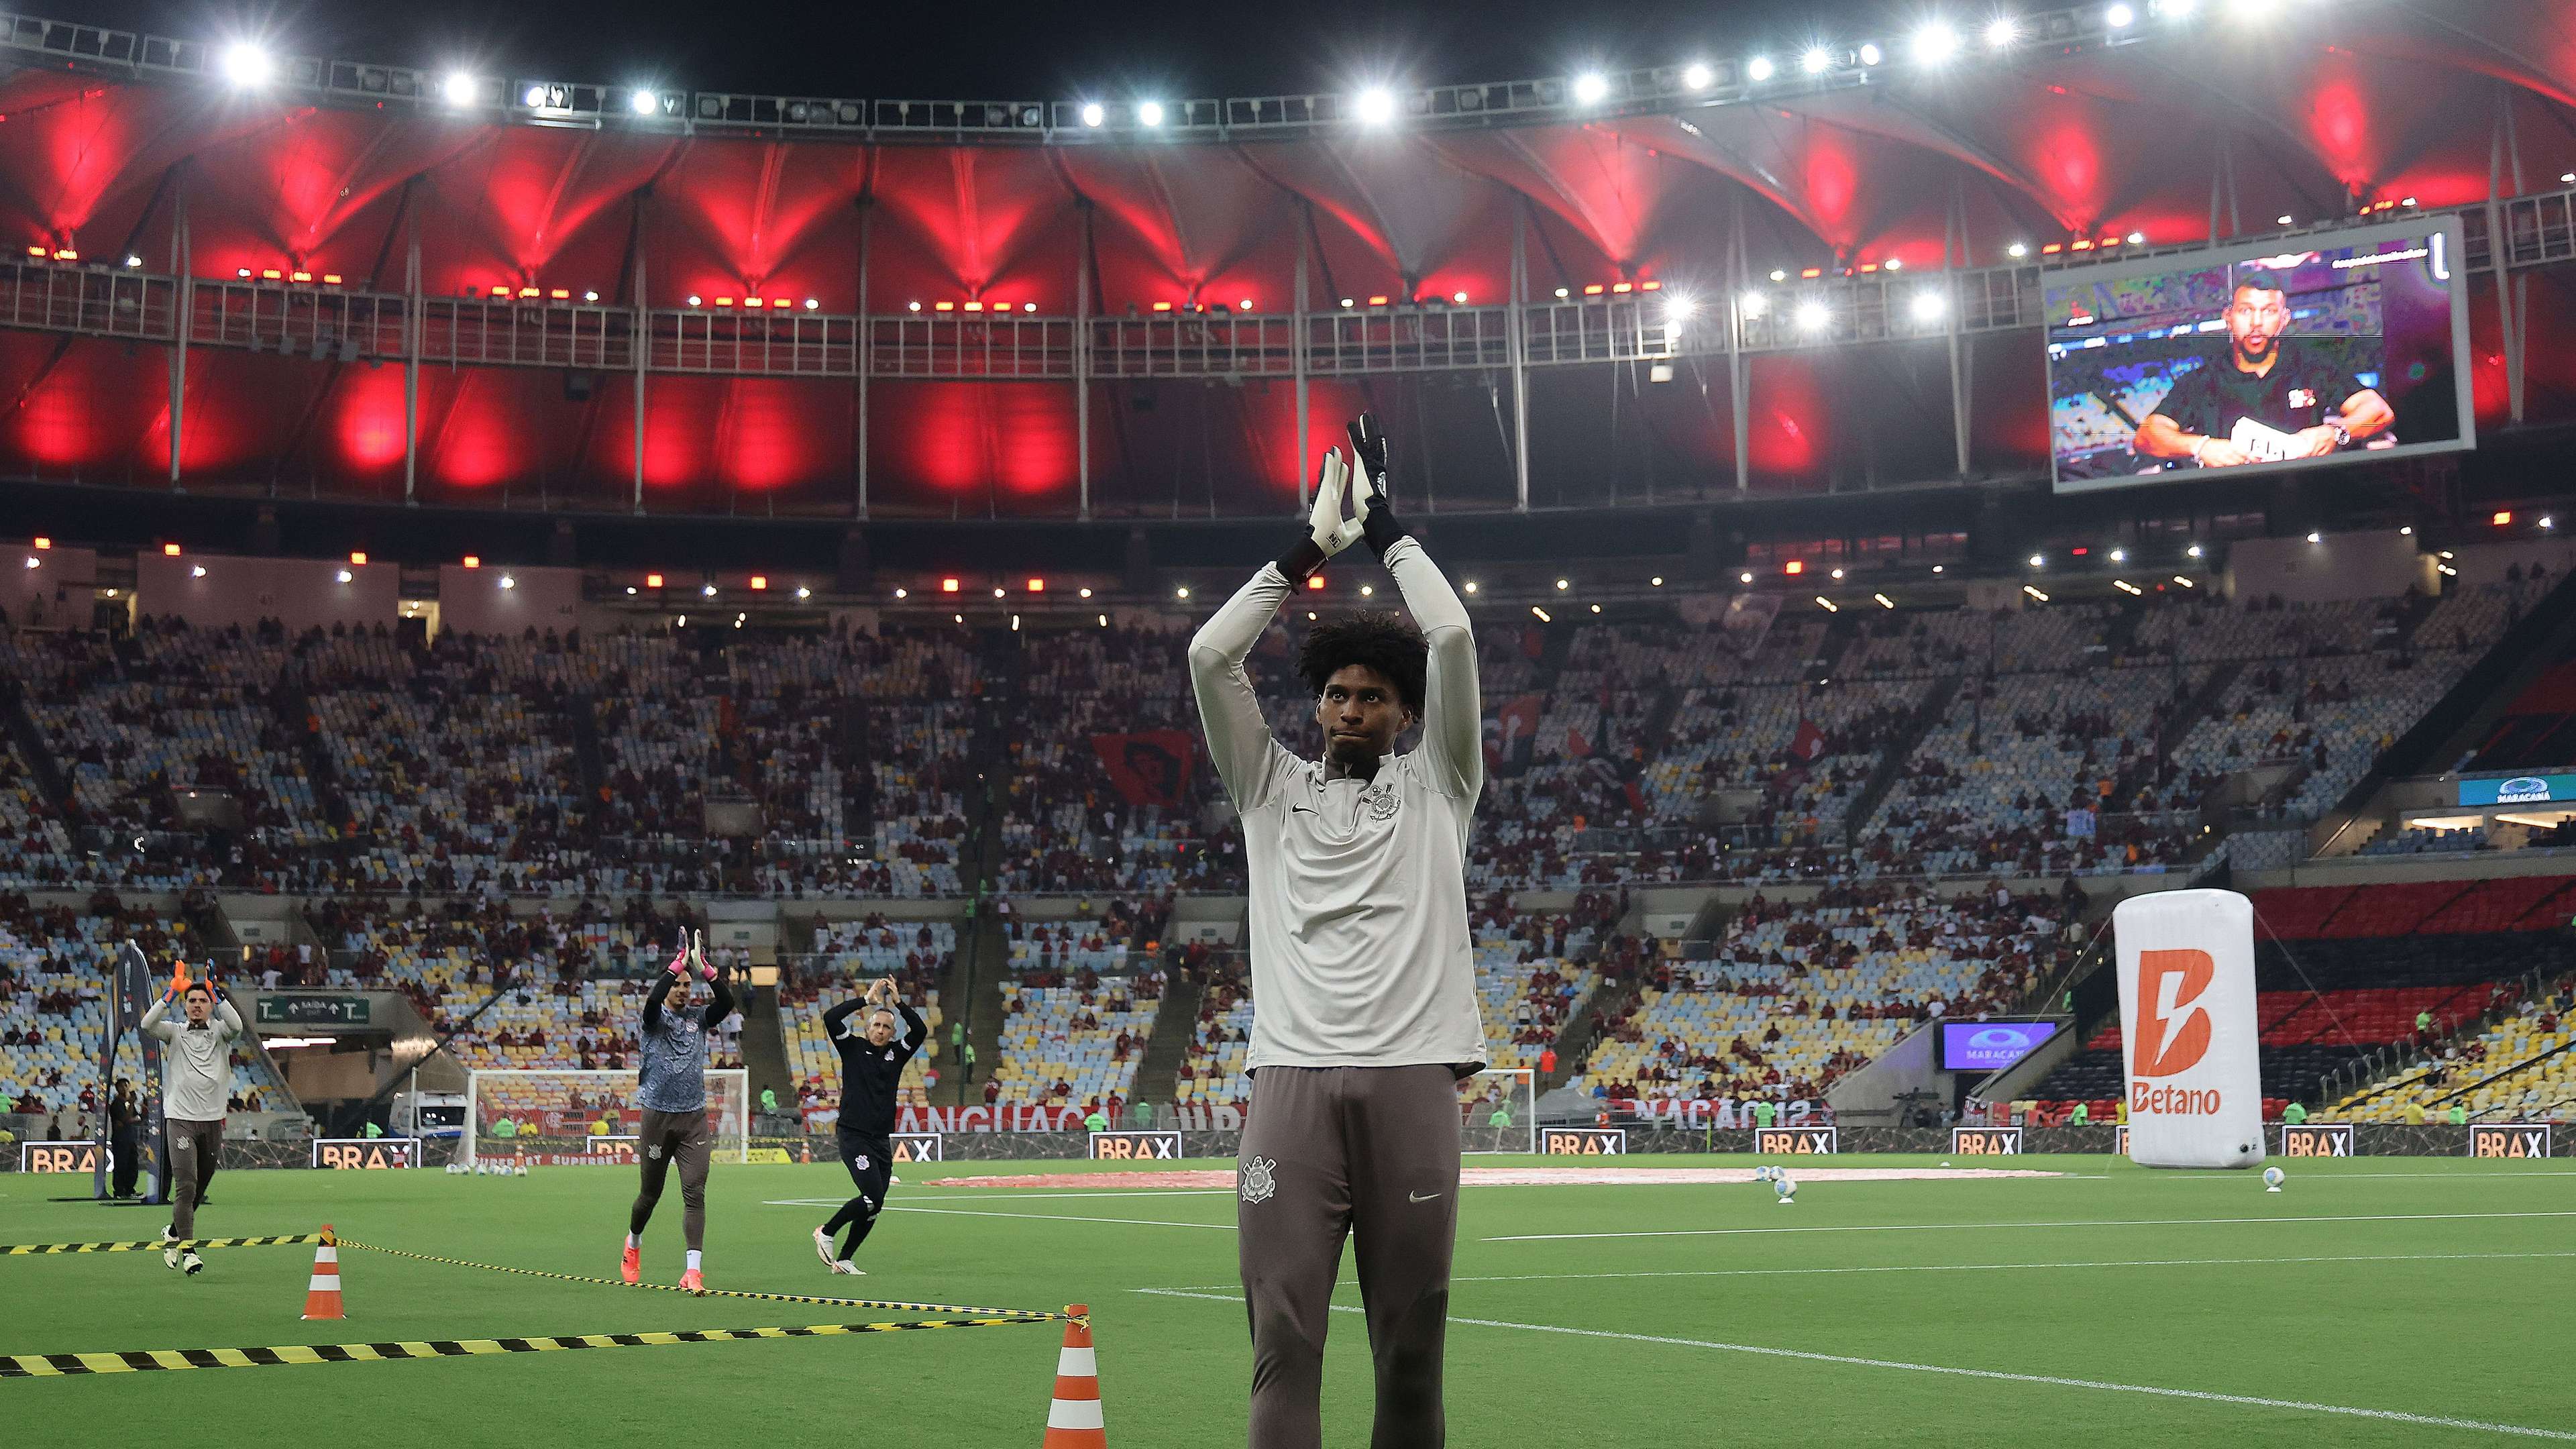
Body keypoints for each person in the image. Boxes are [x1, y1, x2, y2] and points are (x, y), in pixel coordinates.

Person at [1190, 413, 1484, 1448]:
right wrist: (1307, 548)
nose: (1348, 709)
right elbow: (1209, 653)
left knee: (1411, 1347)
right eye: (1333, 695)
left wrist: (1386, 530)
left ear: (1407, 715)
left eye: (1370, 698)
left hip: (1413, 1079)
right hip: (1292, 1086)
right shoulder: (1268, 789)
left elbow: (1449, 637)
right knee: (1284, 1340)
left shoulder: (1443, 785)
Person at [2133, 266, 2394, 469]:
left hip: (2307, 494)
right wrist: (2201, 447)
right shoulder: (2202, 381)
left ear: (2284, 319)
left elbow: (2378, 410)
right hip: (2231, 507)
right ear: (2229, 318)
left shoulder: (2312, 367)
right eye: (2246, 311)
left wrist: (2335, 432)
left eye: (2268, 311)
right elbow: (2147, 435)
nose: (2256, 323)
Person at [624, 933, 733, 1295]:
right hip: (657, 1118)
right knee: (649, 1196)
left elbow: (727, 1002)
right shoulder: (654, 1020)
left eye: (689, 985)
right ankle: (634, 1243)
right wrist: (676, 965)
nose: (685, 990)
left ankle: (693, 1271)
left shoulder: (699, 1019)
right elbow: (653, 1000)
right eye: (680, 984)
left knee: (695, 1191)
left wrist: (705, 968)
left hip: (692, 1119)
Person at [812, 976, 926, 1275]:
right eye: (876, 1025)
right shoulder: (851, 1047)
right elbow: (831, 1017)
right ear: (868, 1027)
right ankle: (827, 1231)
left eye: (887, 1027)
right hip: (853, 1135)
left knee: (876, 1205)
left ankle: (845, 1259)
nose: (881, 1031)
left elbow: (921, 1030)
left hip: (880, 1139)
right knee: (871, 1197)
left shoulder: (897, 1054)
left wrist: (899, 1002)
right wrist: (867, 1000)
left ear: (893, 1032)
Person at [139, 965, 241, 1274]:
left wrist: (217, 991)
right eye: (192, 1000)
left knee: (199, 1190)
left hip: (212, 1122)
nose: (197, 1004)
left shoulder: (222, 1033)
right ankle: (190, 1251)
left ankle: (173, 1232)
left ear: (211, 1006)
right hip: (180, 1119)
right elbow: (147, 1024)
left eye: (203, 1000)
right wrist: (170, 993)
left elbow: (236, 1024)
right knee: (187, 1186)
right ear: (185, 1005)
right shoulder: (174, 1031)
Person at [107, 1077, 141, 1199]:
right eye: (121, 1086)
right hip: (120, 1139)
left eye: (126, 1085)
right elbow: (125, 1119)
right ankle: (120, 1190)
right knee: (121, 1165)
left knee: (132, 1164)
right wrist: (131, 1108)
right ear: (117, 1088)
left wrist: (128, 1120)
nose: (124, 1088)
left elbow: (137, 1118)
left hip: (130, 1138)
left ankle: (129, 1189)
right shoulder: (117, 1103)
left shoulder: (128, 1103)